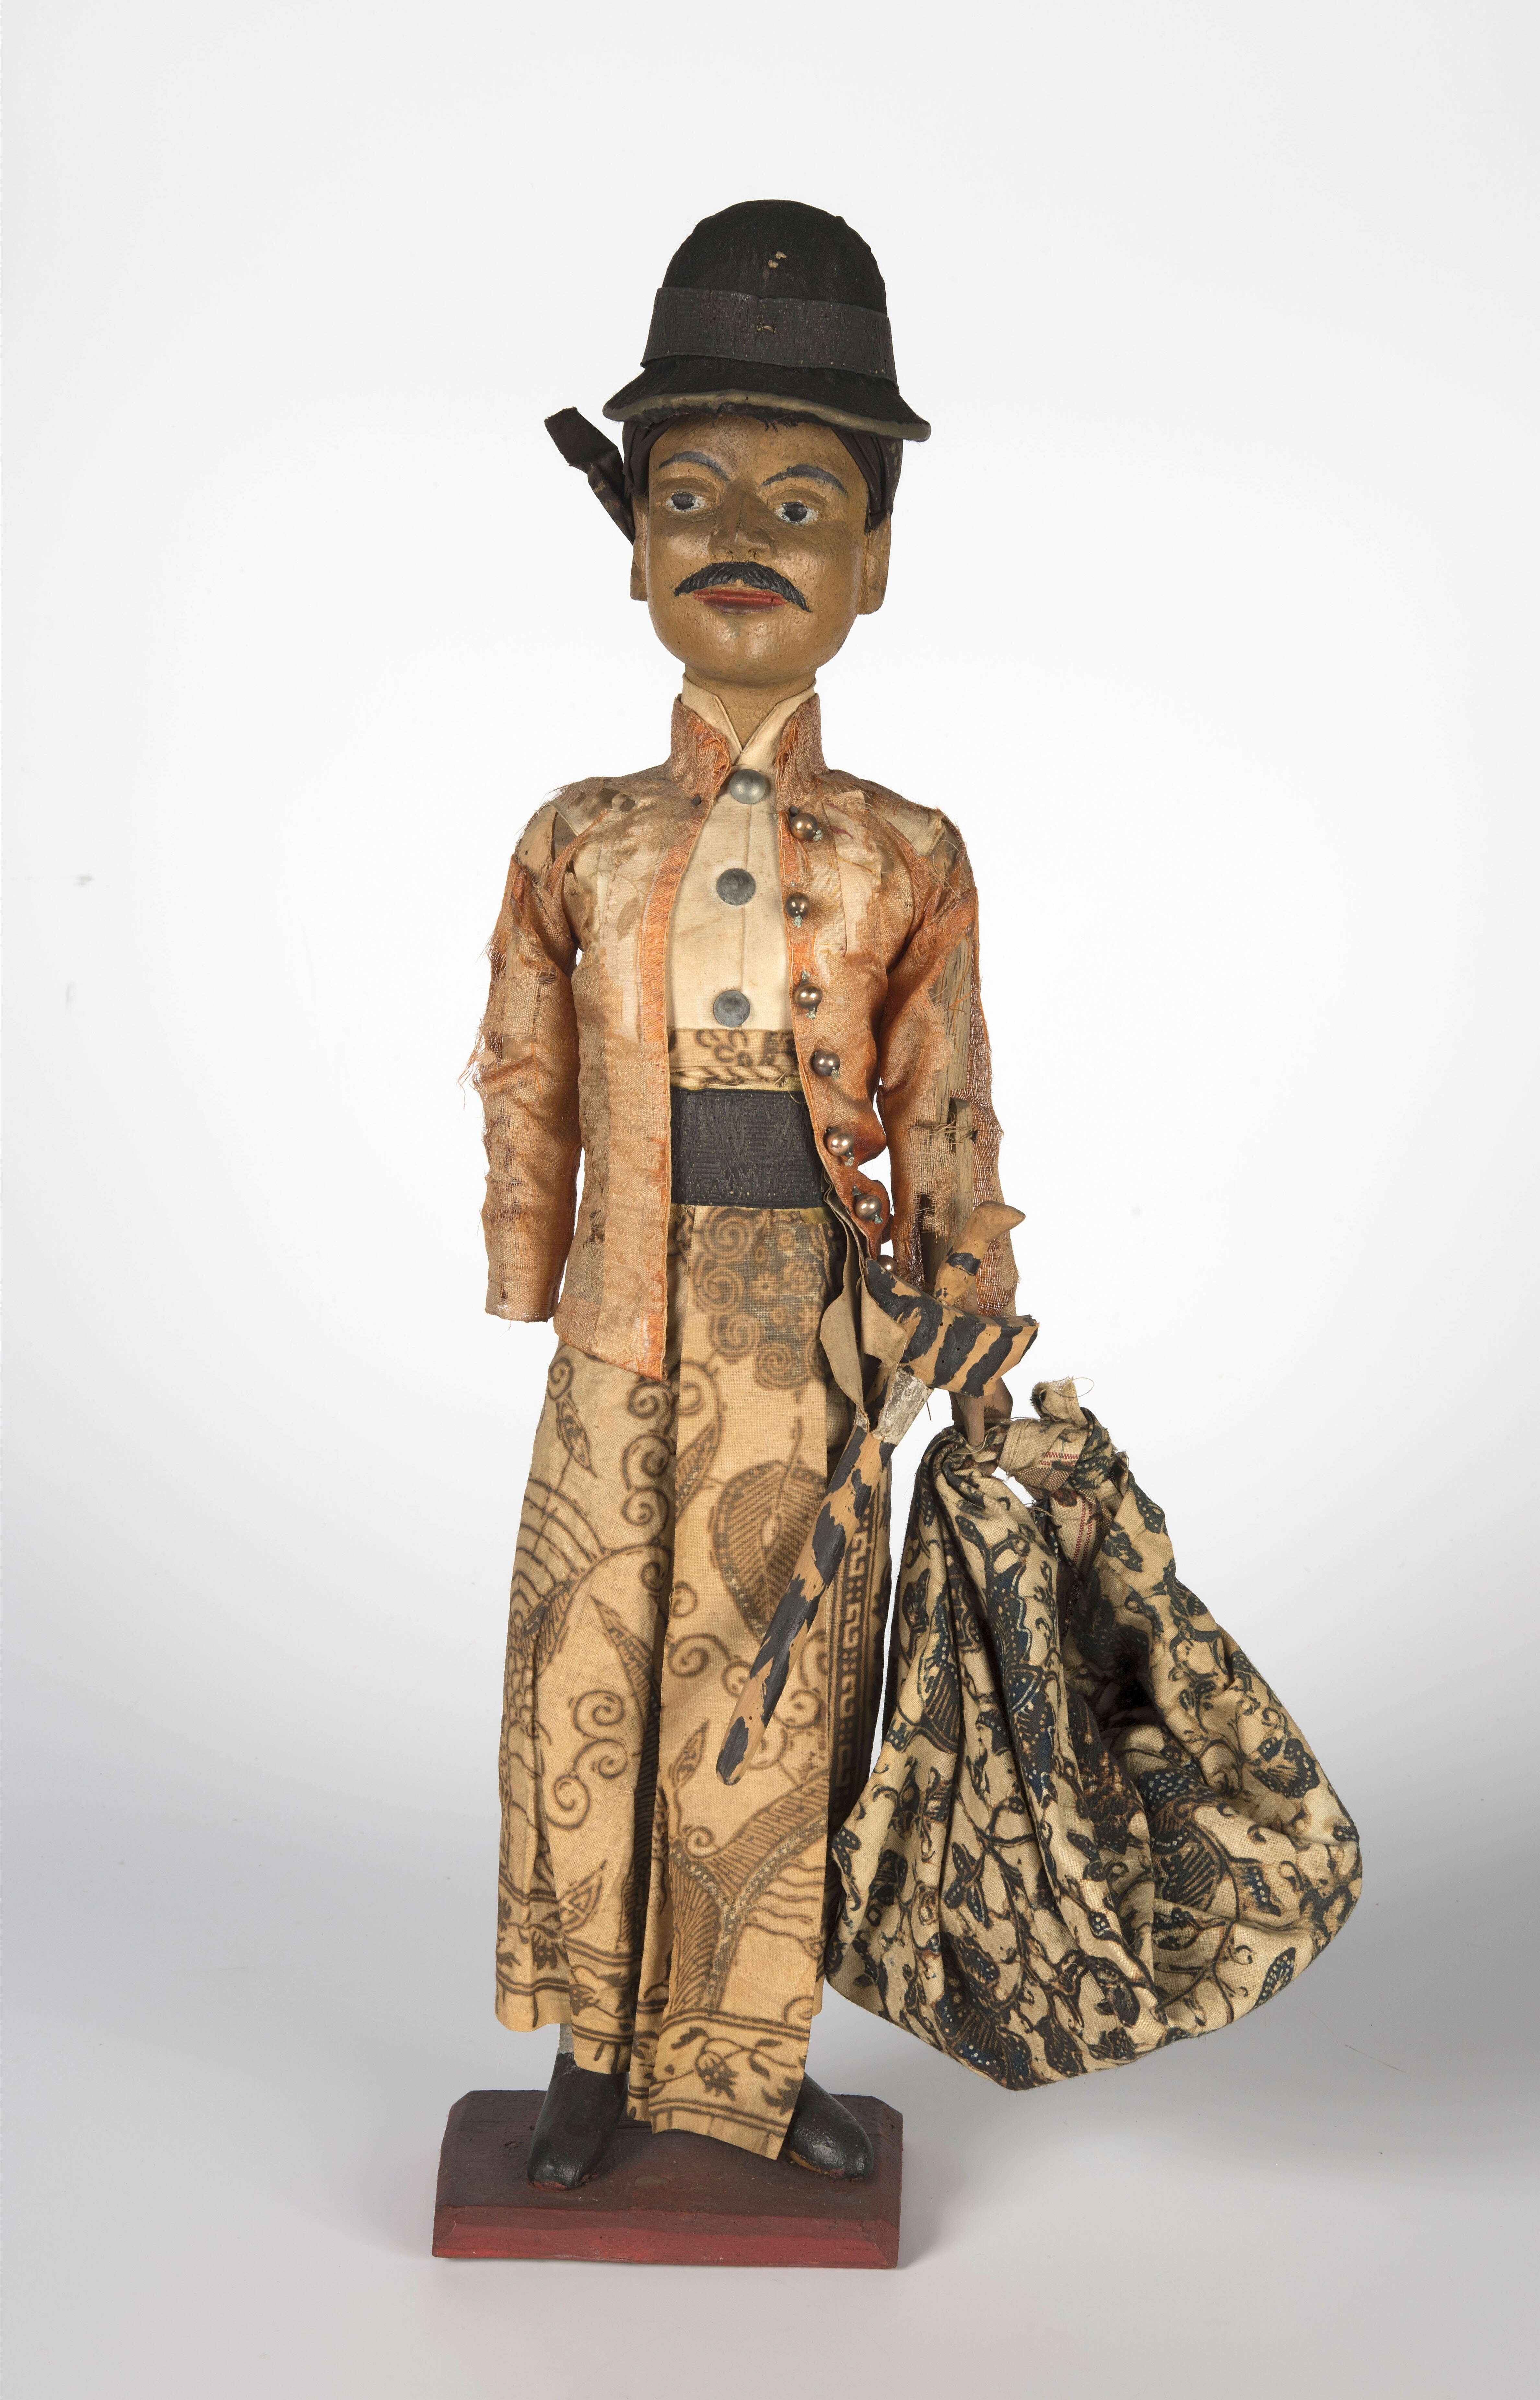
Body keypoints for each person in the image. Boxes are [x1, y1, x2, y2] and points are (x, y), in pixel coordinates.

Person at [470, 199, 1016, 2189]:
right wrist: (527, 1262)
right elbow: (524, 1066)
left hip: (814, 1337)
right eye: (690, 495)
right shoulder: (577, 839)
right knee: (594, 1671)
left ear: (871, 561)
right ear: (632, 543)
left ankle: (739, 2059)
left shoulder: (905, 853)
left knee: (768, 1705)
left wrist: (961, 1307)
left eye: (801, 506)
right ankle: (593, 2053)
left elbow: (946, 1099)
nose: (740, 540)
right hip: (621, 1318)